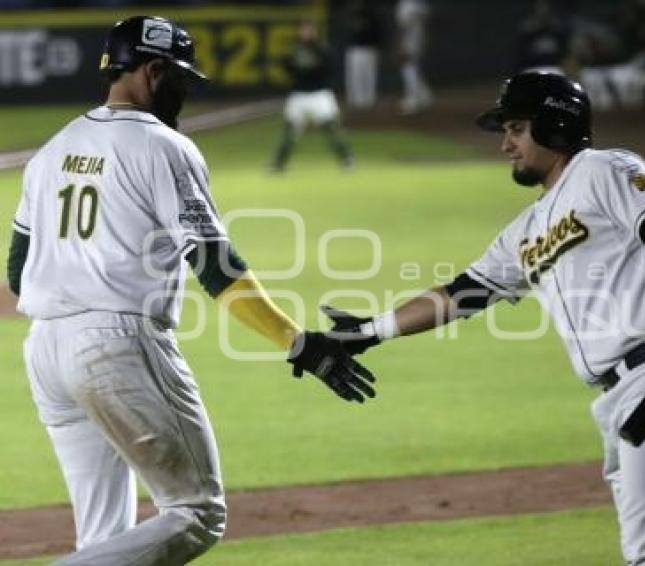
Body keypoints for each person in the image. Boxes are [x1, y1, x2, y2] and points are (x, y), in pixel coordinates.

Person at [7, 16, 375, 565]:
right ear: (153, 71)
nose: (185, 92)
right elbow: (216, 267)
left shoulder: (51, 152)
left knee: (106, 541)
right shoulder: (162, 146)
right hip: (116, 346)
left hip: (46, 351)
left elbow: (18, 270)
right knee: (196, 512)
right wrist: (298, 343)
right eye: (181, 78)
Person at [323, 72, 645, 566]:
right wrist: (369, 331)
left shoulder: (604, 168)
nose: (506, 145)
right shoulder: (528, 228)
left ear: (555, 125)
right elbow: (462, 294)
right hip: (626, 387)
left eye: (516, 128)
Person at [270, 20, 354, 173]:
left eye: (309, 30)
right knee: (290, 131)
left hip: (319, 94)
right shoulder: (294, 49)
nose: (306, 33)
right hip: (299, 95)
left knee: (331, 128)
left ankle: (347, 159)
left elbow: (328, 69)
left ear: (314, 32)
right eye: (303, 30)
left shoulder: (321, 49)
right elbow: (287, 67)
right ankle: (279, 163)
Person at [344, 0, 383, 110]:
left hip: (369, 48)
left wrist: (379, 47)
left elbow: (379, 33)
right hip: (355, 48)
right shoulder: (352, 12)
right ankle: (356, 104)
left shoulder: (373, 12)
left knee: (369, 76)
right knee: (355, 76)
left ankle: (368, 104)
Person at [395, 0, 432, 115]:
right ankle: (425, 96)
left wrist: (401, 43)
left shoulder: (405, 4)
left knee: (407, 68)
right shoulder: (418, 4)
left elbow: (404, 25)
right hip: (419, 38)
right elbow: (427, 12)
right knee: (413, 68)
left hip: (409, 39)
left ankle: (413, 100)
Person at [515, 0, 571, 74]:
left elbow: (563, 52)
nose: (543, 11)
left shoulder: (557, 32)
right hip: (532, 68)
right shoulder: (528, 33)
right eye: (540, 8)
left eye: (545, 8)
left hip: (554, 68)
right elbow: (521, 55)